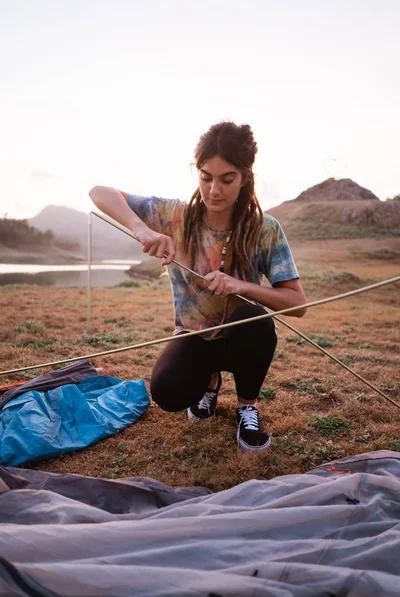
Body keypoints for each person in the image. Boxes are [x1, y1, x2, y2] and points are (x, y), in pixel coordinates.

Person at [89, 121, 307, 452]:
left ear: (245, 177)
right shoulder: (175, 215)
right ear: (197, 172)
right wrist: (142, 229)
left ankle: (247, 406)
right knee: (167, 392)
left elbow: (298, 303)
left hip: (243, 335)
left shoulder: (264, 228)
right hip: (194, 336)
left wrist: (240, 286)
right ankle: (210, 383)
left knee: (255, 324)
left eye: (226, 179)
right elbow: (99, 193)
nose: (214, 190)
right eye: (206, 177)